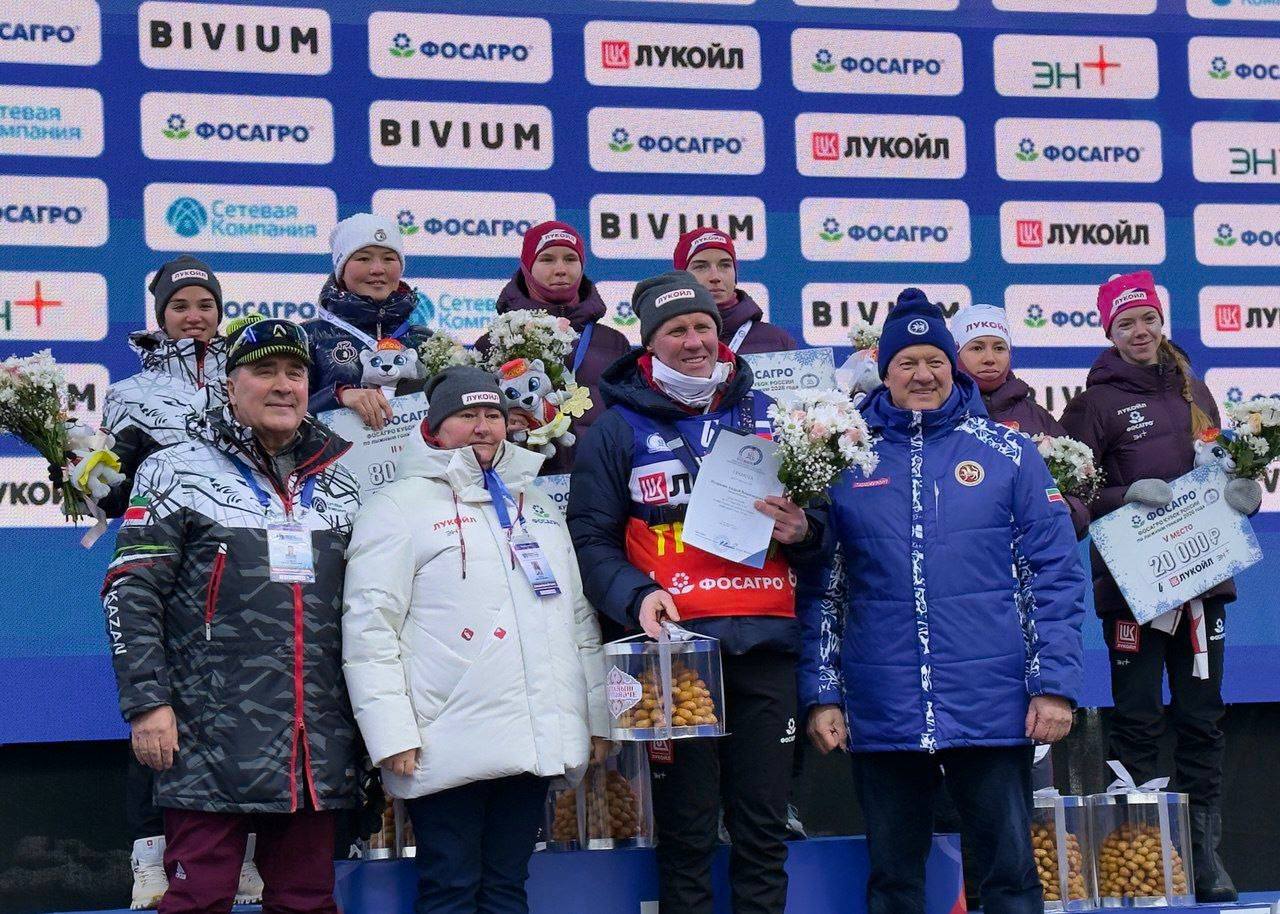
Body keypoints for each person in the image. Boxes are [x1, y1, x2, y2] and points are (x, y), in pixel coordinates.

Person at [800, 289, 1086, 914]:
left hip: (993, 704)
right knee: (894, 884)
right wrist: (823, 693)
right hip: (883, 705)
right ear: (885, 372)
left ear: (954, 368)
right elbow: (825, 590)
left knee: (1009, 879)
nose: (922, 374)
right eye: (907, 363)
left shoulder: (1009, 453)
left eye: (935, 360)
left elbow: (1054, 576)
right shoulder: (844, 460)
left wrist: (1055, 686)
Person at [568, 272, 824, 914]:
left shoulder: (772, 416)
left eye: (703, 327)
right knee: (686, 834)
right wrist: (634, 597)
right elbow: (590, 539)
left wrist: (805, 530)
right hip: (672, 653)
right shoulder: (616, 428)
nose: (693, 341)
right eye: (676, 330)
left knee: (763, 831)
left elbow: (825, 525)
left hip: (764, 643)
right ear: (650, 344)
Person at [102, 318, 362, 914]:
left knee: (308, 902)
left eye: (295, 373)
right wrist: (147, 703)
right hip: (207, 733)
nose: (283, 386)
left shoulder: (342, 483)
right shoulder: (175, 469)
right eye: (264, 371)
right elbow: (130, 590)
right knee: (199, 899)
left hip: (314, 740)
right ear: (229, 384)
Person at [342, 366, 609, 914]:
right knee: (451, 888)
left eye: (492, 414)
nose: (483, 426)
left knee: (508, 888)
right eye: (466, 415)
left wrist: (595, 715)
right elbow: (370, 626)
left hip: (532, 736)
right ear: (435, 428)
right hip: (443, 737)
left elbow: (577, 619)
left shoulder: (536, 505)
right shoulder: (396, 506)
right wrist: (390, 733)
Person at [1060, 271, 1262, 903]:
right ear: (1110, 332)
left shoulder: (1194, 388)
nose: (1140, 331)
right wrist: (1125, 495)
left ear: (1160, 321)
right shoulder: (1093, 404)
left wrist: (1243, 494)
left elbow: (1220, 467)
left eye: (1147, 318)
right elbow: (1073, 491)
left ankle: (1203, 856)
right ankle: (1142, 857)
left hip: (1203, 582)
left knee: (1202, 719)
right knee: (1139, 719)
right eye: (1126, 323)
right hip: (1134, 589)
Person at [73, 257, 264, 909]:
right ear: (160, 316)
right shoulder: (130, 393)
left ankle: (244, 855)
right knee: (158, 701)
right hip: (164, 564)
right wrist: (87, 475)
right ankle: (151, 858)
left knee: (245, 703)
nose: (194, 316)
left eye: (204, 304)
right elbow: (112, 492)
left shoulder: (249, 378)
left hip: (236, 563)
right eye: (180, 305)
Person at [479, 220, 631, 472]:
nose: (561, 269)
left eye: (570, 259)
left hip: (601, 480)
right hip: (519, 480)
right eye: (547, 259)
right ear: (527, 266)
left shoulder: (614, 343)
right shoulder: (496, 342)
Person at [950, 304, 1090, 539]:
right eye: (976, 348)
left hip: (1033, 554)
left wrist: (1067, 509)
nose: (989, 358)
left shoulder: (1036, 416)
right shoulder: (940, 414)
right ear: (956, 354)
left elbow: (1081, 498)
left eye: (999, 348)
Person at [303, 212, 431, 429]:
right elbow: (282, 415)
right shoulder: (309, 337)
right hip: (330, 451)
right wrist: (337, 396)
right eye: (363, 258)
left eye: (389, 259)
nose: (378, 269)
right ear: (341, 268)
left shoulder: (426, 340)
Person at [673, 228, 795, 355]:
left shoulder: (777, 342)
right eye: (701, 266)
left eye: (725, 265)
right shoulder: (664, 341)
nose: (715, 277)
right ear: (681, 278)